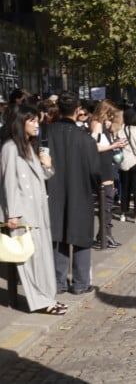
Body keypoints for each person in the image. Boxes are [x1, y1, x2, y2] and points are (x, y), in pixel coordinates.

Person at [0, 104, 68, 315]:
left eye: (37, 120)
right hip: (23, 213)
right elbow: (8, 182)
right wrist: (12, 214)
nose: (37, 124)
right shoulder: (10, 148)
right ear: (21, 122)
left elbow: (43, 176)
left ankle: (48, 297)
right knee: (29, 260)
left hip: (38, 210)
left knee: (42, 257)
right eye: (32, 120)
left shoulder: (28, 146)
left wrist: (47, 164)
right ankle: (40, 301)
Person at [47, 92, 101, 295]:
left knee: (57, 234)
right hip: (80, 189)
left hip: (52, 188)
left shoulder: (46, 133)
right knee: (80, 236)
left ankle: (58, 282)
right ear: (78, 110)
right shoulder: (85, 139)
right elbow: (95, 170)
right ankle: (80, 283)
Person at [90, 99, 128, 248]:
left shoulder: (101, 125)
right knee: (106, 200)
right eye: (110, 114)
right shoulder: (96, 124)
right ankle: (105, 235)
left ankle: (106, 233)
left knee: (108, 199)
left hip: (107, 165)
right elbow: (95, 146)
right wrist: (114, 145)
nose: (111, 118)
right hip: (102, 167)